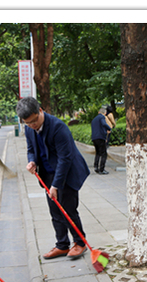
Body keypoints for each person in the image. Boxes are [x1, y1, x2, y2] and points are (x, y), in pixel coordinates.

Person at [17, 97, 90, 261]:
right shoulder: (29, 129)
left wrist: (56, 186)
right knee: (55, 211)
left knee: (68, 210)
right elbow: (31, 149)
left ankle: (80, 242)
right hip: (47, 173)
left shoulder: (58, 127)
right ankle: (62, 245)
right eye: (28, 123)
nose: (32, 125)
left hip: (67, 173)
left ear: (40, 110)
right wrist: (32, 161)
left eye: (34, 121)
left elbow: (65, 159)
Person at [90, 107, 111, 175]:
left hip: (94, 138)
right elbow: (104, 124)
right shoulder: (102, 117)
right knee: (104, 154)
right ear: (105, 113)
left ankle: (96, 167)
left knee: (98, 153)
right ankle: (102, 169)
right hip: (100, 137)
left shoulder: (94, 119)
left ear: (98, 112)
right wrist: (109, 128)